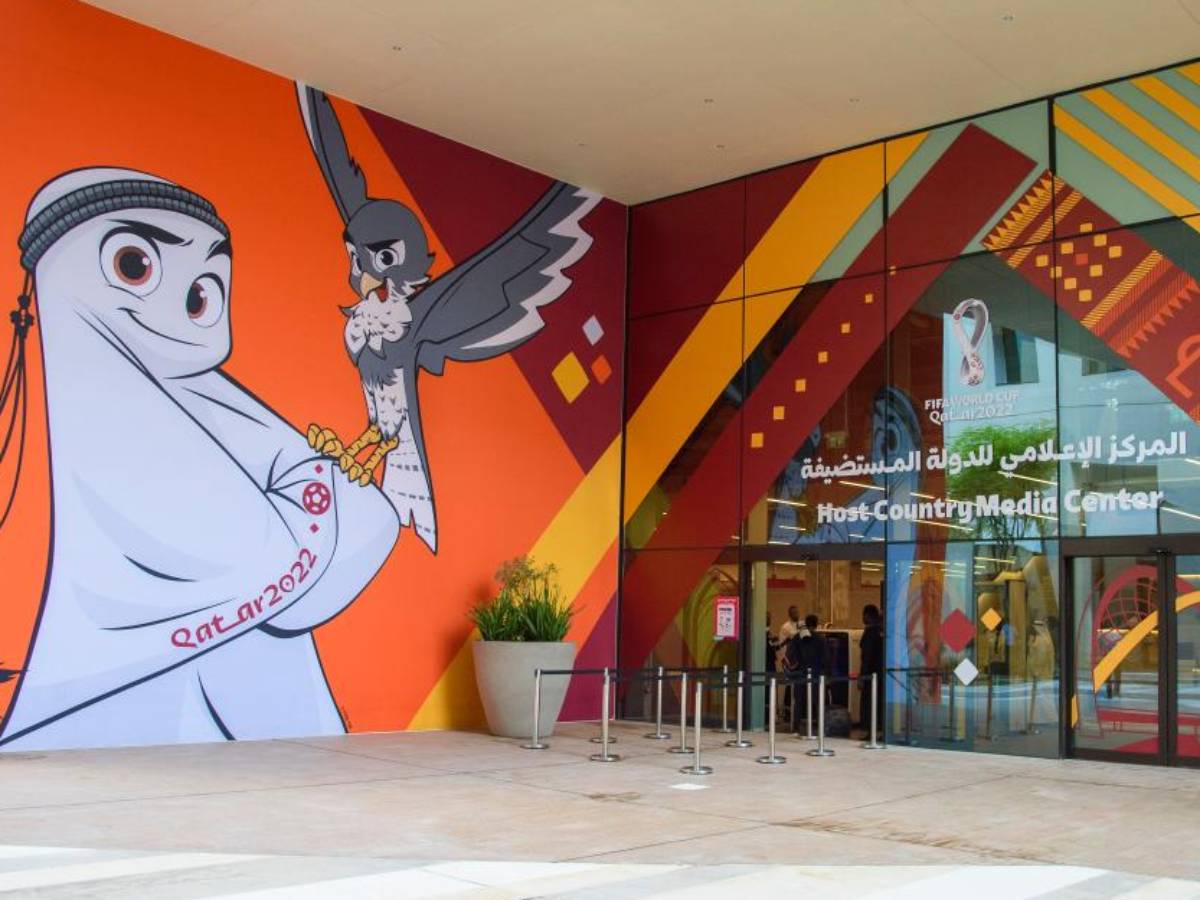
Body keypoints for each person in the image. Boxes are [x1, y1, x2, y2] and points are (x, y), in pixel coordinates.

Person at [859, 603, 884, 734]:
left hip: (870, 674)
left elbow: (866, 656)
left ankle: (871, 731)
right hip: (881, 674)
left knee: (869, 703)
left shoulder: (870, 632)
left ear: (868, 616)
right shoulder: (882, 631)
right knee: (879, 702)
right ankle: (879, 731)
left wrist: (862, 676)